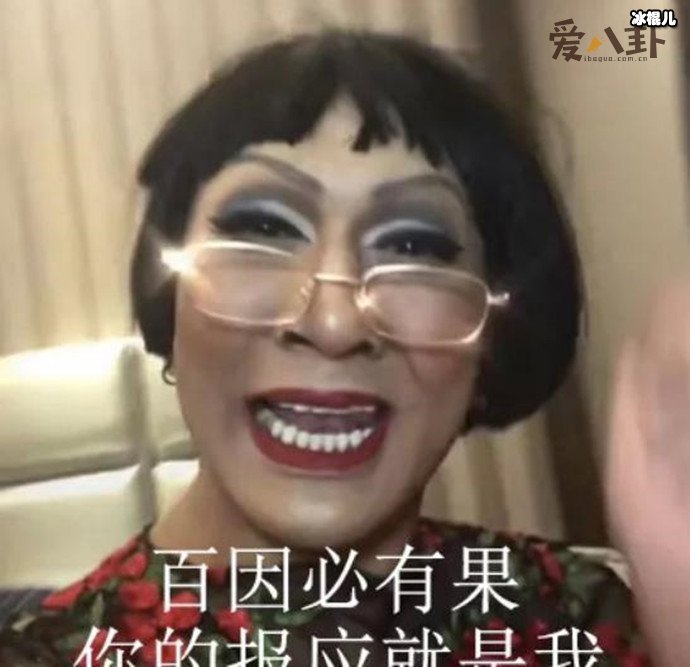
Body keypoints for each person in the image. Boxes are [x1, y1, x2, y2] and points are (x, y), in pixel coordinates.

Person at [0, 30, 659, 665]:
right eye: (262, 227)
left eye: (414, 246)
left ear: (491, 336)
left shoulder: (581, 614)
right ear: (168, 299)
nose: (334, 323)